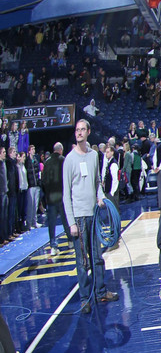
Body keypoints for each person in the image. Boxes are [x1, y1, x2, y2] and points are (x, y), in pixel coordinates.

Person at [62, 119, 118, 314]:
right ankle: (85, 298)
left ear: (88, 132)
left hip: (93, 214)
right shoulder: (69, 159)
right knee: (82, 261)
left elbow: (96, 182)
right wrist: (71, 223)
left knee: (97, 257)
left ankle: (100, 291)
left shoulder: (94, 155)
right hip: (78, 218)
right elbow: (66, 193)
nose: (78, 133)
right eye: (76, 130)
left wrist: (101, 197)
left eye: (82, 129)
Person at [41, 142, 67, 256]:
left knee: (51, 223)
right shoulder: (63, 160)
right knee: (66, 219)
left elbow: (43, 180)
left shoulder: (46, 162)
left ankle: (53, 246)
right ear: (60, 150)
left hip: (51, 197)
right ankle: (71, 240)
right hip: (62, 196)